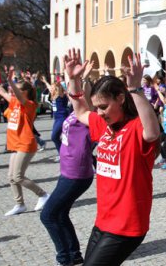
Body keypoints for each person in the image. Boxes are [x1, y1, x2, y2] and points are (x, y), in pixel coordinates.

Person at [64, 48, 161, 265]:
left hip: (127, 224)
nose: (99, 113)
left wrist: (135, 89)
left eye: (104, 106)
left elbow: (153, 132)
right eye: (97, 107)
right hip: (104, 220)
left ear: (120, 98)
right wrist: (72, 80)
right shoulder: (103, 125)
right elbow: (80, 111)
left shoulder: (137, 128)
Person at [39, 78, 94, 266]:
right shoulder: (75, 112)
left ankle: (64, 259)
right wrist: (74, 77)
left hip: (76, 174)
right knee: (60, 214)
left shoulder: (87, 115)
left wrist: (81, 79)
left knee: (48, 215)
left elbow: (82, 92)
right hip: (68, 171)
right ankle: (74, 254)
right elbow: (74, 91)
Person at [0, 66, 50, 216]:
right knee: (11, 177)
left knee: (18, 176)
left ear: (25, 92)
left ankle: (43, 195)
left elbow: (17, 95)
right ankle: (19, 204)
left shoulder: (29, 105)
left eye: (17, 90)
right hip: (15, 144)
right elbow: (2, 92)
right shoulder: (14, 103)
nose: (12, 92)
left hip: (26, 144)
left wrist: (10, 81)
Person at [41, 76, 70, 154]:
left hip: (62, 118)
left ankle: (62, 154)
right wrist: (45, 82)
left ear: (57, 89)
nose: (51, 89)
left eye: (53, 88)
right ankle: (62, 153)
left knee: (54, 137)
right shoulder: (54, 95)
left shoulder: (61, 95)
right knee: (56, 138)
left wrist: (59, 83)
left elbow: (59, 88)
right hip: (57, 119)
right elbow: (50, 87)